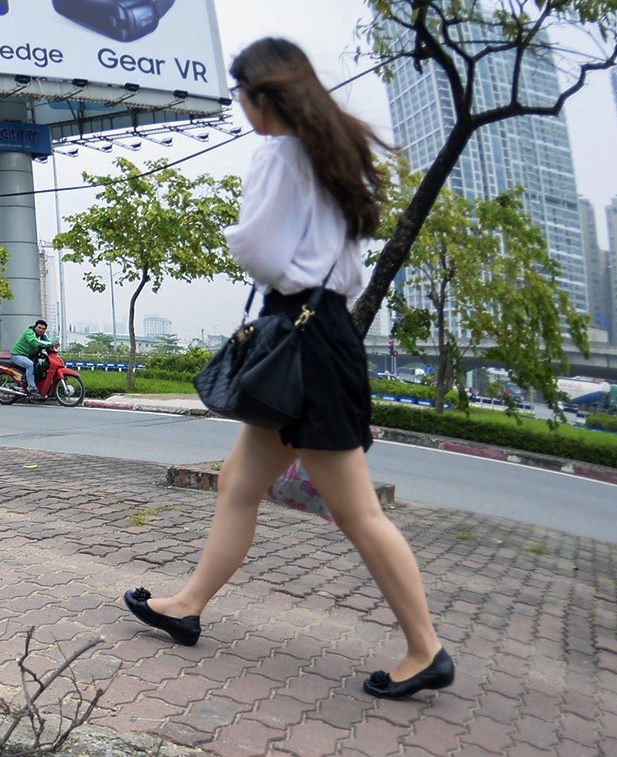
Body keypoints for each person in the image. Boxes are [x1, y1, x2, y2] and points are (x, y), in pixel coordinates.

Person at [122, 37, 453, 701]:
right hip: (322, 334)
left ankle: (427, 649)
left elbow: (261, 250)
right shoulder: (330, 160)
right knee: (238, 484)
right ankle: (186, 606)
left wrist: (247, 249)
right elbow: (348, 274)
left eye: (242, 96)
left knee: (358, 512)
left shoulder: (279, 154)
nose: (241, 108)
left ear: (263, 97)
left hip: (299, 339)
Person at [9, 320, 56, 397]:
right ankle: (31, 389)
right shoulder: (29, 333)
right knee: (30, 365)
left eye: (43, 329)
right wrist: (51, 344)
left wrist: (53, 346)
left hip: (29, 356)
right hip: (17, 355)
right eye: (39, 327)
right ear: (35, 327)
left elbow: (49, 342)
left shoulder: (43, 337)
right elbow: (34, 342)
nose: (41, 330)